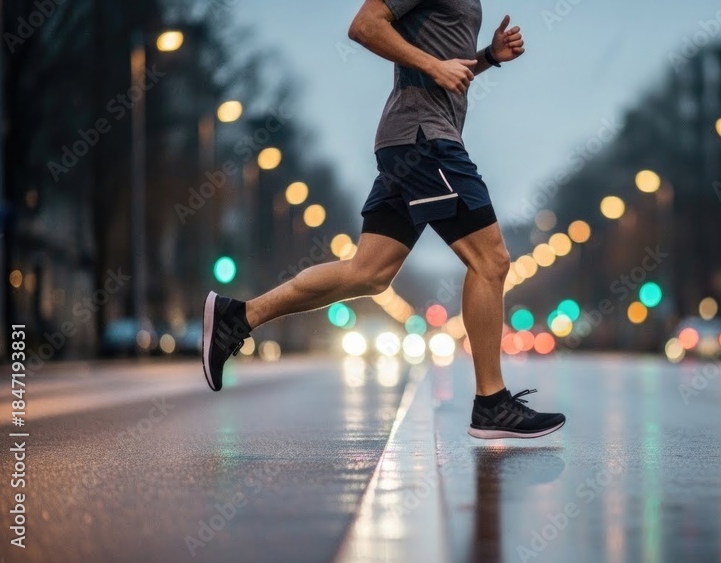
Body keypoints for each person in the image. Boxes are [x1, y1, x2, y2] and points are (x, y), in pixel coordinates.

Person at [201, 0, 565, 439]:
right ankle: (491, 403)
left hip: (412, 141)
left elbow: (446, 67)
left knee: (368, 273)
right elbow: (364, 25)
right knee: (492, 261)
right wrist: (434, 65)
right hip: (424, 139)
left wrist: (487, 57)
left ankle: (237, 317)